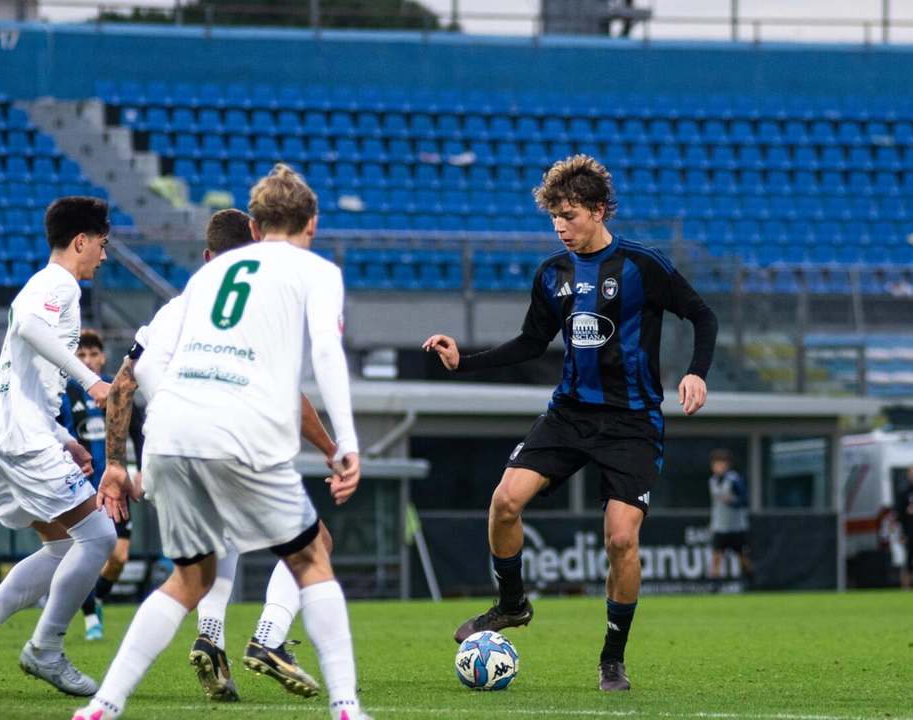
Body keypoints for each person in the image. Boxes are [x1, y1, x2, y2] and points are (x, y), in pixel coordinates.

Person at [75, 164, 370, 720]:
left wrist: (118, 463)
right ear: (312, 222)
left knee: (190, 577)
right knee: (311, 555)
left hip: (167, 433)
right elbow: (325, 358)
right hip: (237, 429)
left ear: (256, 225)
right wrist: (345, 442)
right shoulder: (316, 271)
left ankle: (102, 707)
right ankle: (347, 707)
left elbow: (134, 379)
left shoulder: (204, 280)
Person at [422, 154, 718, 692]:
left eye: (571, 215)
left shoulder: (641, 266)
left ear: (600, 210)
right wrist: (465, 362)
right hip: (570, 414)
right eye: (554, 216)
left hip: (632, 423)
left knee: (621, 541)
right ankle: (512, 605)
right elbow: (531, 343)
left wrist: (696, 373)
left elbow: (703, 315)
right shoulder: (552, 274)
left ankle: (612, 658)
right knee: (504, 501)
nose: (561, 227)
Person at [0, 197, 116, 700]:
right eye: (101, 245)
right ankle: (46, 650)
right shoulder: (58, 283)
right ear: (81, 241)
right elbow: (30, 329)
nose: (103, 257)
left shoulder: (44, 285)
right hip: (19, 435)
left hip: (7, 430)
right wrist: (92, 381)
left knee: (63, 546)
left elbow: (26, 378)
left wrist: (66, 438)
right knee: (99, 537)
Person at [59, 328, 143, 641]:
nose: (89, 360)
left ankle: (94, 599)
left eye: (93, 354)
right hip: (79, 491)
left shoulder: (117, 389)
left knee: (119, 558)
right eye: (81, 355)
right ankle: (91, 617)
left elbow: (139, 429)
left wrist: (142, 469)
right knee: (84, 555)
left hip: (115, 489)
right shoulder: (64, 394)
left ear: (103, 357)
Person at [707, 449, 753, 581]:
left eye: (721, 464)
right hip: (720, 525)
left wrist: (732, 501)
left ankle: (750, 579)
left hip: (736, 525)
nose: (718, 467)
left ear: (727, 465)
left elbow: (745, 500)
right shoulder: (712, 481)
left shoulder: (734, 480)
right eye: (716, 464)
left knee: (742, 556)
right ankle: (715, 585)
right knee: (717, 555)